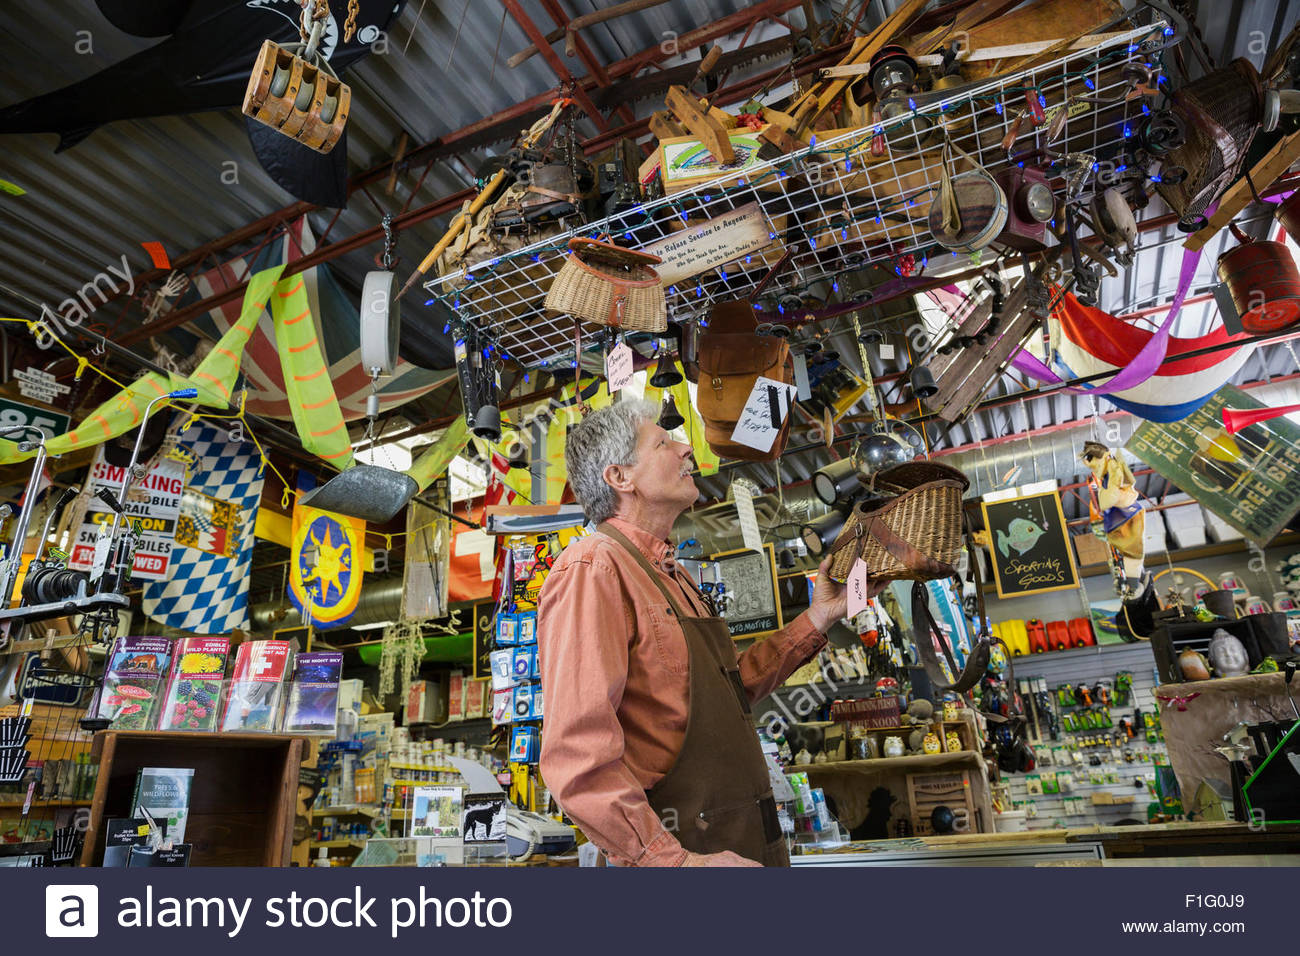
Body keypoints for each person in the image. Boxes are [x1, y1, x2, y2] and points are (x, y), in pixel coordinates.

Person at [538, 400, 882, 866]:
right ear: (620, 478)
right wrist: (674, 864)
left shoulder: (672, 574)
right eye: (663, 442)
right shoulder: (592, 569)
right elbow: (578, 760)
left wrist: (819, 617)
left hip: (745, 842)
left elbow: (728, 689)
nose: (685, 449)